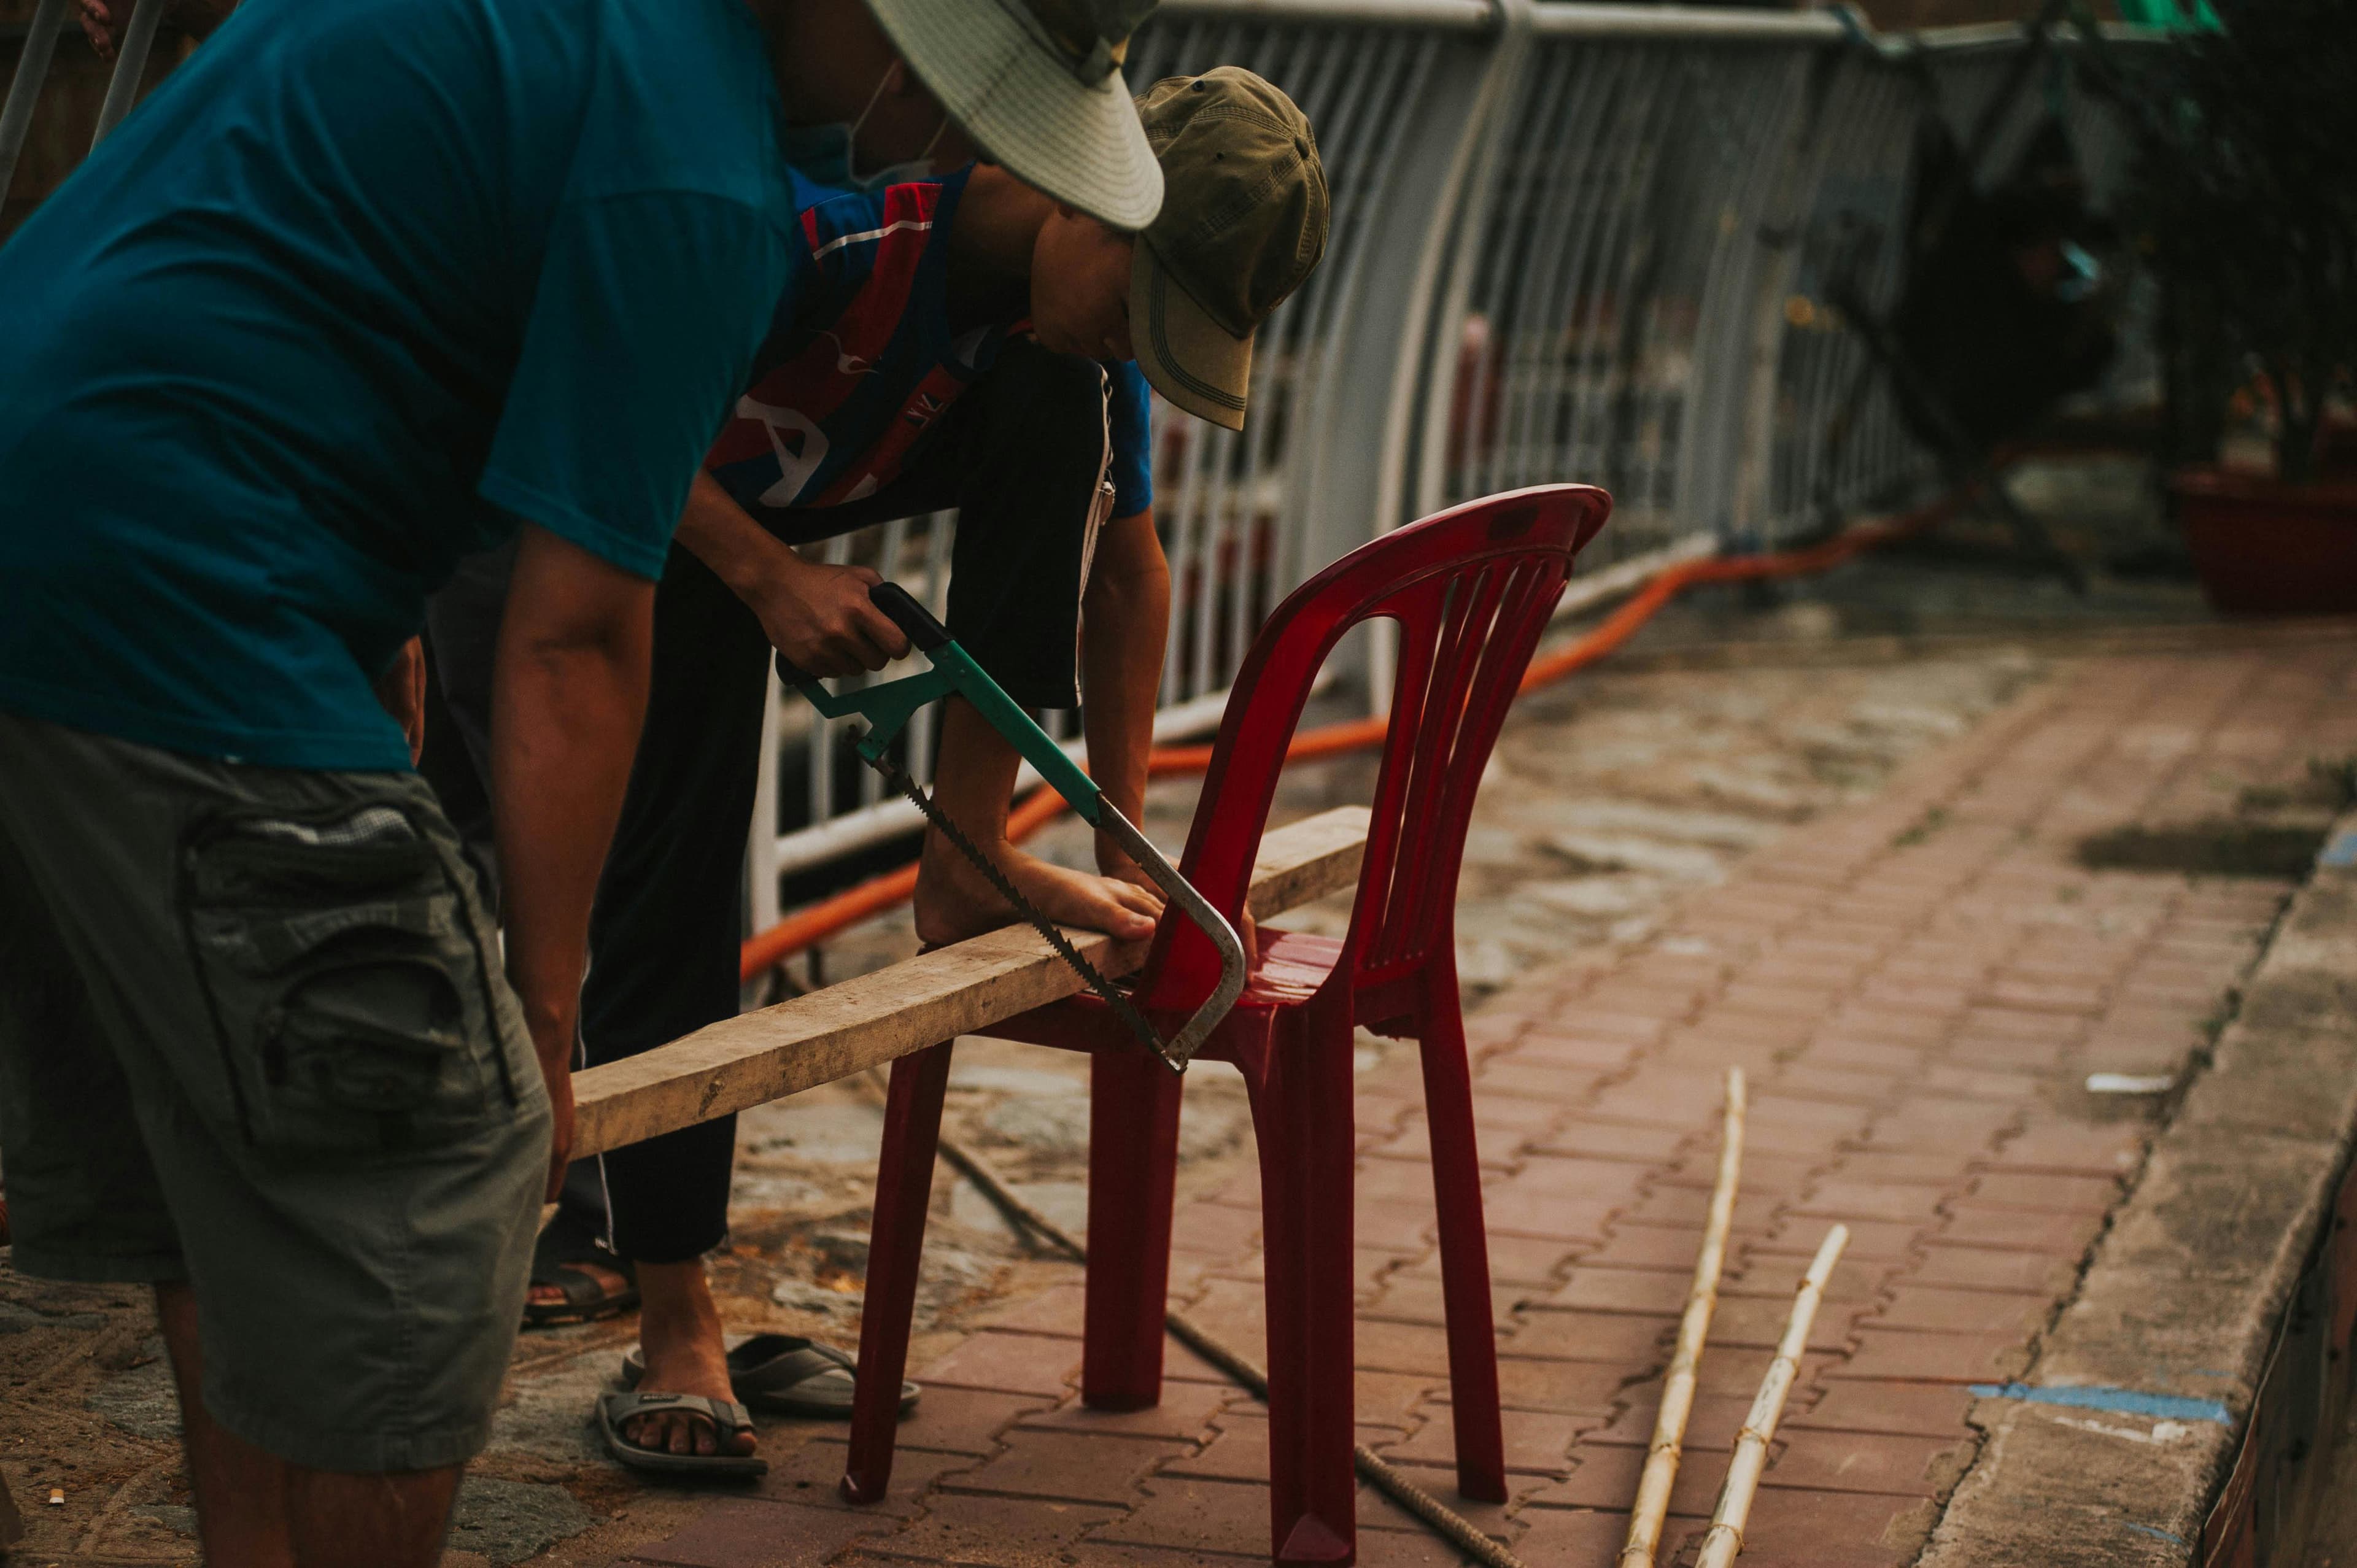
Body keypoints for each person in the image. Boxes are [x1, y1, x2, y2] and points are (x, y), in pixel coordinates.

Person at [0, 0, 1163, 1560]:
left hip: (61, 492)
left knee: (234, 1163)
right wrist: (541, 1028)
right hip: (175, 569)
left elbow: (294, 242)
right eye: (978, 88)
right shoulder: (700, 173)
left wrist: (372, 621)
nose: (972, 138)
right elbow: (575, 636)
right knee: (436, 1163)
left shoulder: (592, 39)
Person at [426, 66, 1329, 1474]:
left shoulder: (1072, 340)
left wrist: (1121, 848)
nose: (1130, 346)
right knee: (620, 879)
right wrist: (772, 576)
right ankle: (659, 1309)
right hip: (569, 504)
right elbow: (583, 396)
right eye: (1138, 311)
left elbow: (1128, 571)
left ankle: (965, 860)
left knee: (1059, 401)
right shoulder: (825, 227)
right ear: (1100, 205)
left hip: (739, 509)